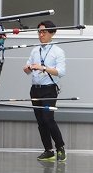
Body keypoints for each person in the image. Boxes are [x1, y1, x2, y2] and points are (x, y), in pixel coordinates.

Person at [24, 20, 66, 162]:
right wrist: (29, 68)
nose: (41, 35)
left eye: (44, 32)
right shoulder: (35, 50)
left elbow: (61, 72)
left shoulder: (57, 51)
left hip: (49, 90)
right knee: (40, 121)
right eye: (39, 32)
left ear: (52, 33)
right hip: (35, 90)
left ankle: (60, 147)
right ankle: (48, 150)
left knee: (48, 118)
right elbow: (26, 69)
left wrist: (44, 68)